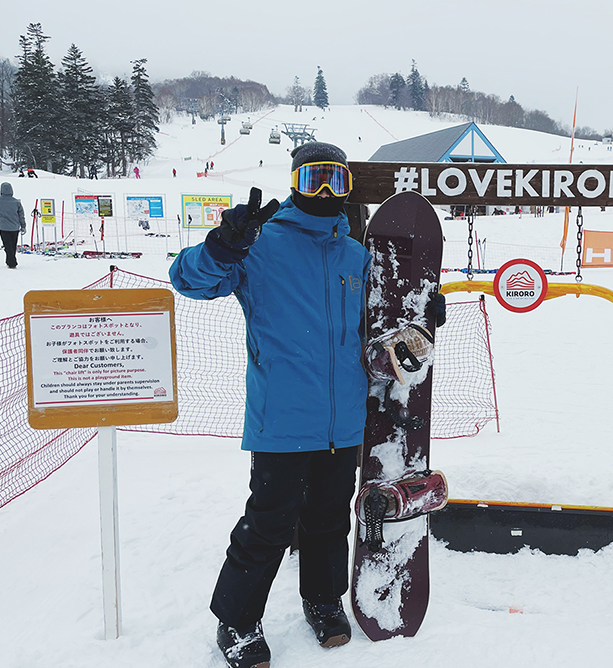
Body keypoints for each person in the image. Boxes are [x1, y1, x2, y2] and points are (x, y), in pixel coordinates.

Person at [170, 142, 443, 668]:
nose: (324, 191)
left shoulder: (356, 255)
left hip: (343, 422)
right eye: (315, 178)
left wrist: (424, 311)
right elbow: (189, 280)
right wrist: (223, 246)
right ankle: (238, 621)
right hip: (283, 418)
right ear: (294, 181)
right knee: (270, 522)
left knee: (326, 518)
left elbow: (382, 329)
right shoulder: (261, 243)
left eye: (336, 181)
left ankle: (322, 601)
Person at [0, 182, 26, 269]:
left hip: (2, 227)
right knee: (13, 245)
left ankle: (11, 262)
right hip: (15, 227)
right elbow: (21, 215)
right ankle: (11, 261)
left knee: (7, 245)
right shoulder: (16, 202)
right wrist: (23, 226)